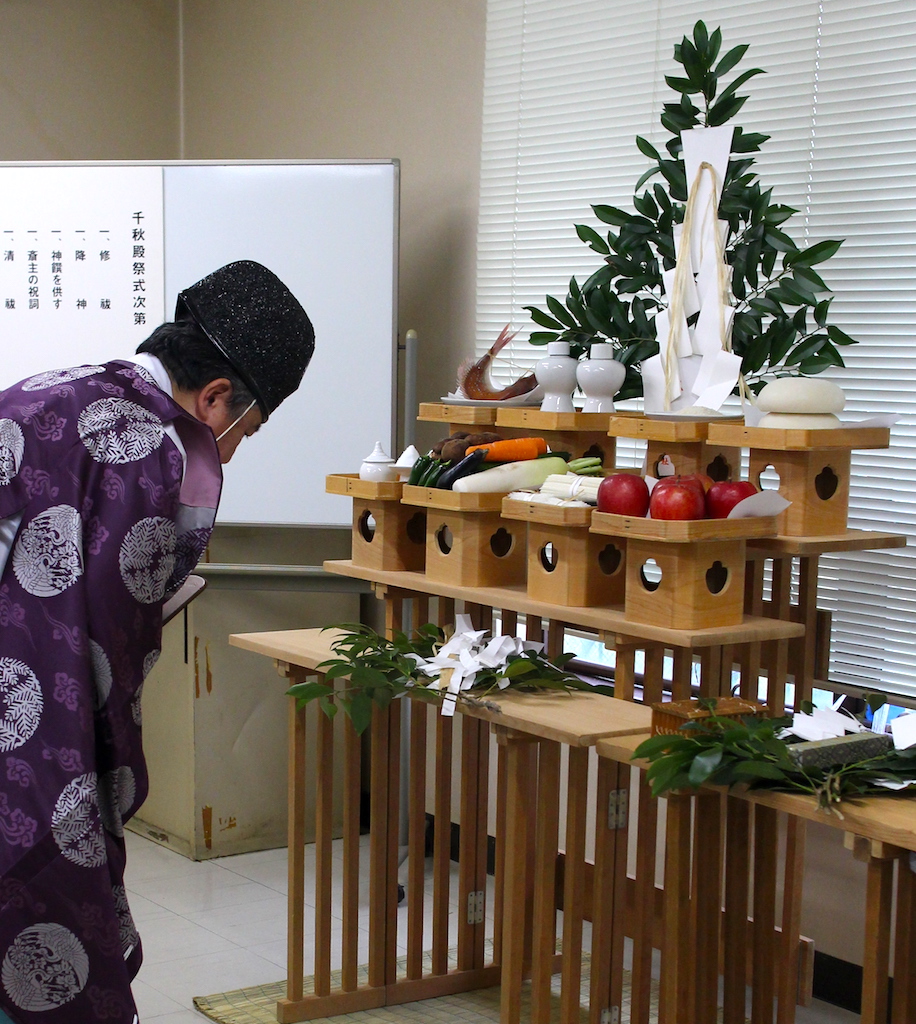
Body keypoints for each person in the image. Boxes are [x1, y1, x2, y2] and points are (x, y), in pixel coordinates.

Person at [0, 260, 314, 1023]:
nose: (232, 452)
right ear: (214, 397)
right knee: (52, 929)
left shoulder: (45, 389)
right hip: (25, 738)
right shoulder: (150, 451)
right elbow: (103, 653)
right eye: (246, 429)